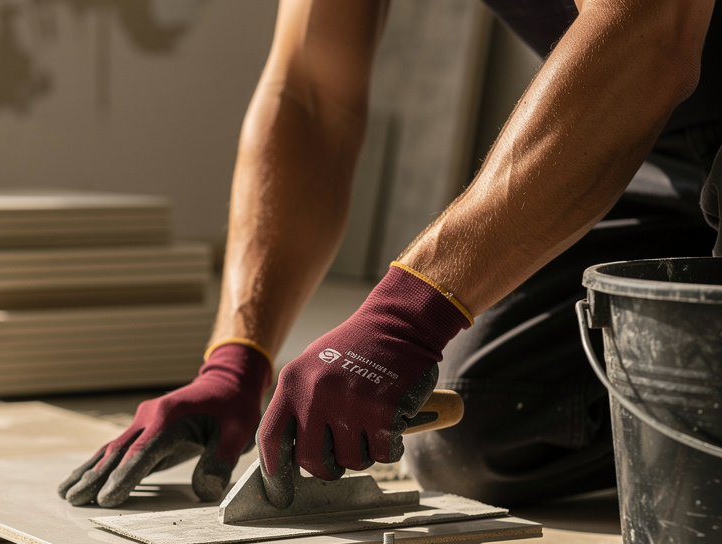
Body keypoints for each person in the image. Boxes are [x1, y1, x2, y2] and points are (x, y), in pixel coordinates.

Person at [60, 0, 722, 511]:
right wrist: (237, 360)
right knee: (479, 428)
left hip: (651, 85)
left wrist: (407, 316)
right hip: (654, 155)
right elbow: (314, 97)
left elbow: (647, 31)